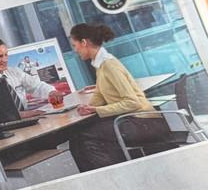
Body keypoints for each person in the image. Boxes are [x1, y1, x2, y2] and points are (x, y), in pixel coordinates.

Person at [67, 23, 170, 172]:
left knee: (85, 138)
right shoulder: (101, 65)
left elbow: (132, 103)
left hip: (144, 122)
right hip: (135, 120)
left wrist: (96, 110)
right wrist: (87, 108)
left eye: (75, 45)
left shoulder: (109, 65)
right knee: (77, 138)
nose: (75, 50)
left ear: (84, 42)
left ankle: (114, 175)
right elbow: (100, 95)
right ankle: (100, 176)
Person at [0, 36, 63, 118]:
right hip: (4, 127)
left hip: (29, 120)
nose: (5, 60)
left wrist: (51, 92)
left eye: (6, 54)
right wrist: (18, 115)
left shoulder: (14, 72)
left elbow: (36, 86)